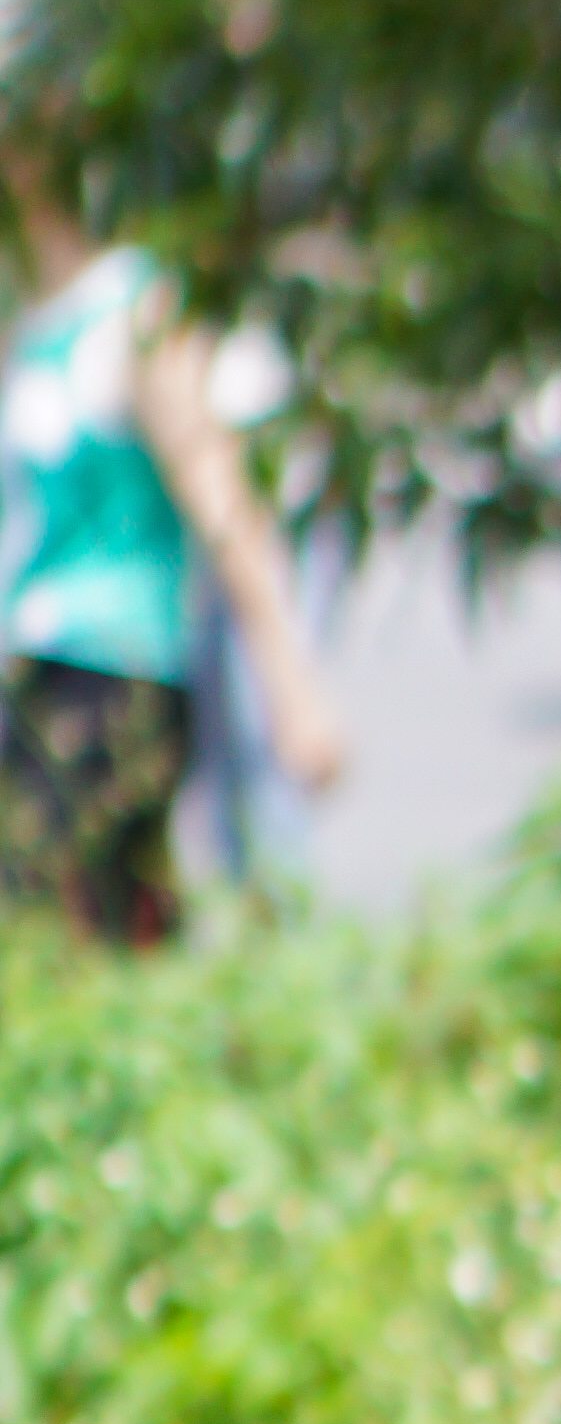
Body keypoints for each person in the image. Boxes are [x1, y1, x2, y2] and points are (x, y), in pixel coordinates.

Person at [2, 117, 346, 945]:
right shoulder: (36, 321)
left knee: (70, 919)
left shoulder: (139, 307)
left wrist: (290, 686)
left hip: (124, 668)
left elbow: (219, 494)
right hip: (38, 669)